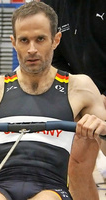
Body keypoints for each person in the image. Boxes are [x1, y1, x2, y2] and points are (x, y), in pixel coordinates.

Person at [0, 2, 106, 200]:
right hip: (0, 186)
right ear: (13, 42)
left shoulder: (79, 87)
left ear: (56, 40)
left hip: (51, 189)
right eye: (24, 40)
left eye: (40, 39)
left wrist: (102, 132)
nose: (32, 49)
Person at [39, 0, 106, 199]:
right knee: (76, 166)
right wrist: (77, 93)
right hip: (85, 96)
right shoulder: (52, 5)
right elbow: (55, 56)